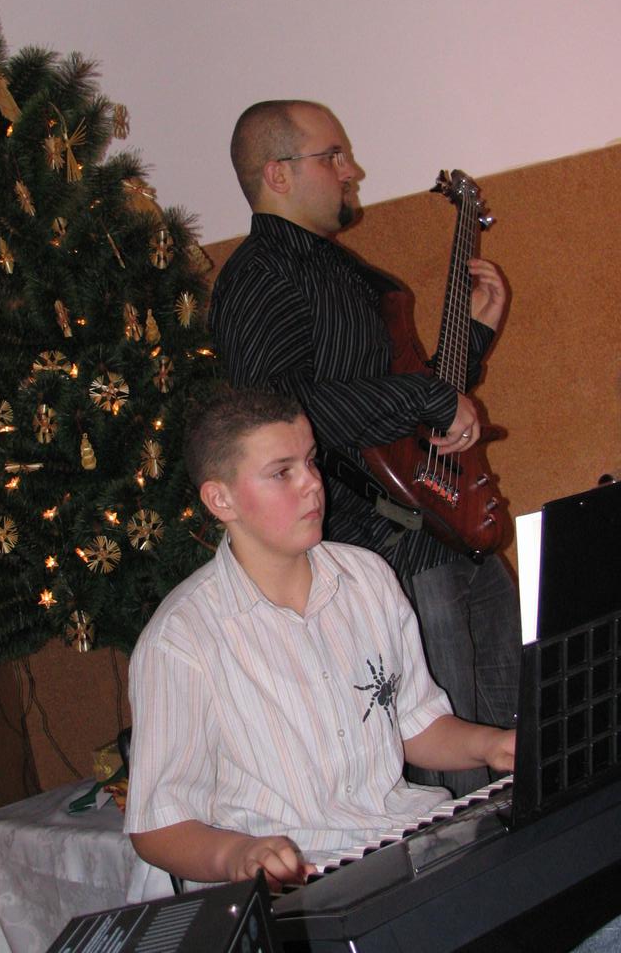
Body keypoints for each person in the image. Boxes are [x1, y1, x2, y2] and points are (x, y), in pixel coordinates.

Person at [208, 99, 522, 797]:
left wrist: (471, 344)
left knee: (515, 743)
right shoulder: (260, 277)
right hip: (387, 557)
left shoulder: (344, 272)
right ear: (278, 174)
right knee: (457, 782)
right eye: (333, 156)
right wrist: (426, 399)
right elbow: (277, 416)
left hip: (445, 530)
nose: (352, 170)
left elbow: (403, 412)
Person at [124, 388, 515, 892]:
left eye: (310, 461)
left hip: (407, 841)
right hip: (305, 886)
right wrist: (237, 855)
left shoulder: (367, 577)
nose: (312, 483)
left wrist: (493, 745)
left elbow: (416, 724)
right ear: (221, 499)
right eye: (281, 472)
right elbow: (157, 826)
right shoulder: (181, 640)